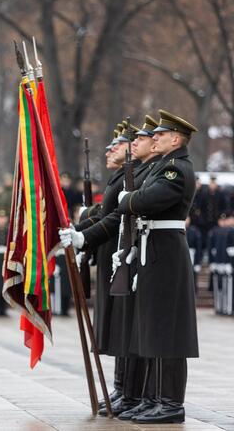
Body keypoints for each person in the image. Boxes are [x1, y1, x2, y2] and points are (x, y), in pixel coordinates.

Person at [113, 110, 200, 424]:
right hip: (153, 249)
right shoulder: (162, 166)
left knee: (167, 330)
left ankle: (170, 402)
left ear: (175, 139)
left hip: (166, 251)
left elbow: (148, 200)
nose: (155, 138)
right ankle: (153, 398)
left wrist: (128, 198)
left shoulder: (176, 169)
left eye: (160, 135)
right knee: (152, 327)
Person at [59, 121, 132, 410]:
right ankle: (122, 387)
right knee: (115, 324)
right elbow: (103, 214)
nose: (110, 150)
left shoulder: (128, 176)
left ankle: (128, 390)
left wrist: (83, 236)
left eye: (118, 145)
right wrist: (80, 234)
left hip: (117, 253)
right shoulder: (117, 177)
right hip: (106, 252)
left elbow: (111, 218)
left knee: (123, 325)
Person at [208, 213, 232, 315]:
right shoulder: (215, 231)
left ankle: (228, 308)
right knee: (221, 287)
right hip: (221, 263)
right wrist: (214, 262)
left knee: (228, 288)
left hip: (227, 263)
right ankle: (222, 307)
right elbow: (214, 248)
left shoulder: (230, 231)